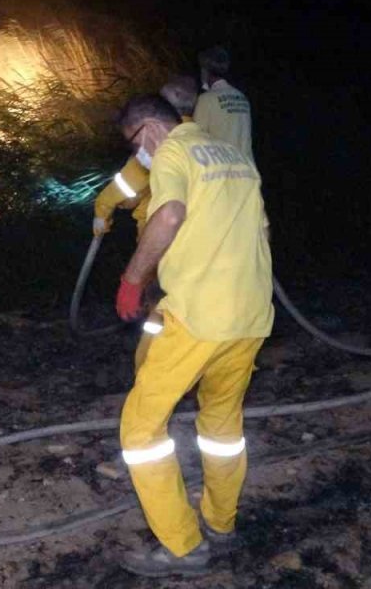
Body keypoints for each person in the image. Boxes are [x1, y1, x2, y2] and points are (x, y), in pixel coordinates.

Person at [112, 93, 273, 577]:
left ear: (151, 130)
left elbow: (169, 215)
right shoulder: (235, 156)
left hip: (200, 317)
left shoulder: (175, 152)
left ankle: (183, 546)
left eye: (136, 144)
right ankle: (221, 523)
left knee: (140, 430)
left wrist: (133, 278)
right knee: (222, 427)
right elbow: (262, 230)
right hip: (250, 315)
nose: (140, 155)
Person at [92, 76, 198, 240]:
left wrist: (102, 209)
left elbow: (130, 180)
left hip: (156, 230)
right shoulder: (200, 134)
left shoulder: (159, 145)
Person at [192, 45, 254, 163]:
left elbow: (196, 139)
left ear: (205, 70)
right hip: (247, 170)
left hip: (223, 172)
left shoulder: (206, 99)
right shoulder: (242, 97)